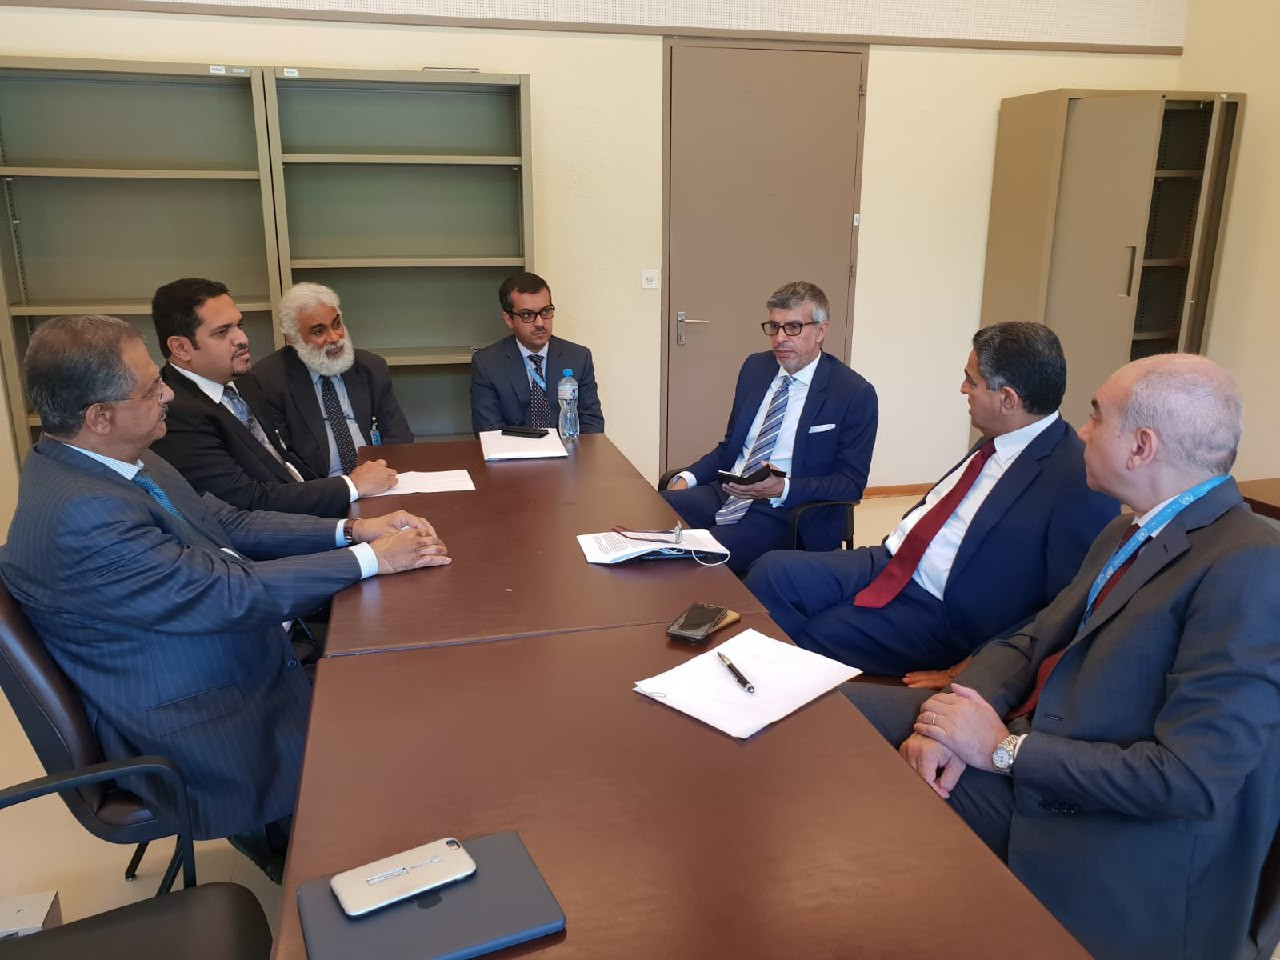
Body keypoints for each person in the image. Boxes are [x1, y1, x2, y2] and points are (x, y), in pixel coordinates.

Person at [847, 354, 1280, 960]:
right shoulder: (1126, 531)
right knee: (835, 712)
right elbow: (1031, 640)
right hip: (1042, 744)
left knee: (865, 789)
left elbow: (1190, 780)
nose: (1081, 432)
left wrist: (1001, 750)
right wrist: (952, 718)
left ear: (1142, 447)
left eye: (1097, 417)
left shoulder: (1249, 565)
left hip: (1110, 830)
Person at [0, 314, 450, 882]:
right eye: (151, 388)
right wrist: (373, 561)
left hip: (214, 657)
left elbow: (226, 521)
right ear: (99, 416)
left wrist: (354, 531)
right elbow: (225, 596)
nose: (169, 393)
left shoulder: (115, 456)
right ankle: (302, 853)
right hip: (198, 716)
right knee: (403, 723)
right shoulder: (83, 512)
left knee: (407, 681)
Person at [745, 322, 1117, 675]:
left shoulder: (1078, 477)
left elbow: (1068, 605)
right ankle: (755, 681)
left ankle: (766, 694)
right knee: (771, 572)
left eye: (972, 381)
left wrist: (975, 666)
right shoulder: (998, 439)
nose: (963, 389)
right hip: (891, 562)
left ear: (1007, 399)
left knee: (813, 634)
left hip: (942, 612)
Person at [661, 281, 878, 575]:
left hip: (785, 510)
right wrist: (687, 479)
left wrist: (782, 488)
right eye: (774, 327)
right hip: (728, 489)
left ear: (821, 331)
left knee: (701, 557)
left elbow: (850, 484)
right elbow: (730, 446)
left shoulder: (853, 393)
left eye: (793, 328)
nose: (780, 338)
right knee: (653, 514)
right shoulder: (756, 368)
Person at [150, 278, 398, 518]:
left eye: (239, 326)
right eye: (222, 332)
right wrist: (351, 487)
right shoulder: (176, 413)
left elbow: (285, 463)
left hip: (316, 511)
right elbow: (248, 502)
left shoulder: (245, 382)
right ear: (180, 348)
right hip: (277, 534)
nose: (243, 339)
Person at [250, 281, 414, 480]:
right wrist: (347, 488)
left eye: (336, 324)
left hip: (378, 479)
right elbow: (285, 460)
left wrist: (380, 475)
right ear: (292, 338)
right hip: (320, 489)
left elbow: (398, 437)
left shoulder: (371, 368)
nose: (334, 337)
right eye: (319, 331)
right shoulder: (269, 379)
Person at [469, 272, 605, 434]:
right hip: (514, 449)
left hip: (568, 448)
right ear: (508, 319)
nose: (540, 323)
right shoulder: (487, 364)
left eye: (546, 312)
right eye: (527, 315)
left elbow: (592, 424)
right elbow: (489, 431)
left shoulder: (578, 358)